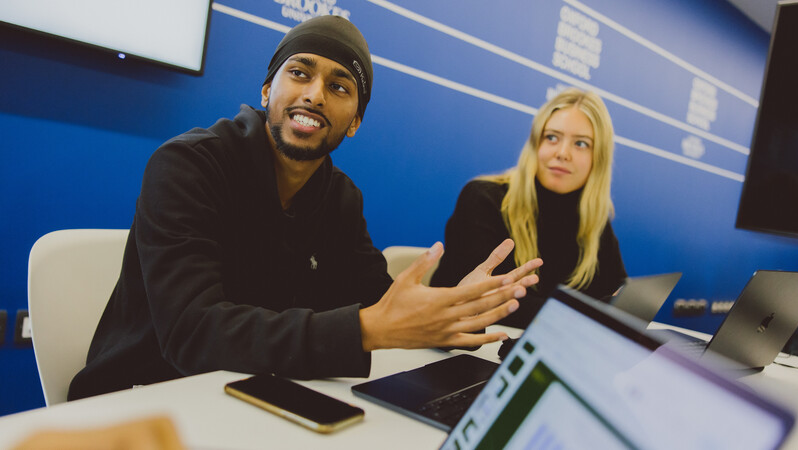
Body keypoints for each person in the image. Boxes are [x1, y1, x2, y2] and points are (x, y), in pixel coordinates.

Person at [68, 15, 540, 401]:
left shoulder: (339, 196)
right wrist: (363, 330)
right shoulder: (188, 165)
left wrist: (450, 306)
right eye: (300, 72)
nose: (314, 93)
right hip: (138, 400)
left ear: (354, 121)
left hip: (249, 396)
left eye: (339, 86)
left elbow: (378, 299)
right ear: (266, 90)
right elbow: (193, 333)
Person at [431, 88, 626, 330]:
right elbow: (486, 304)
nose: (562, 153)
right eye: (552, 137)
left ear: (599, 158)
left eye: (581, 144)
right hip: (461, 353)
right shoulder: (484, 198)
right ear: (535, 144)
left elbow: (619, 296)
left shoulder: (594, 220)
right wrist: (589, 316)